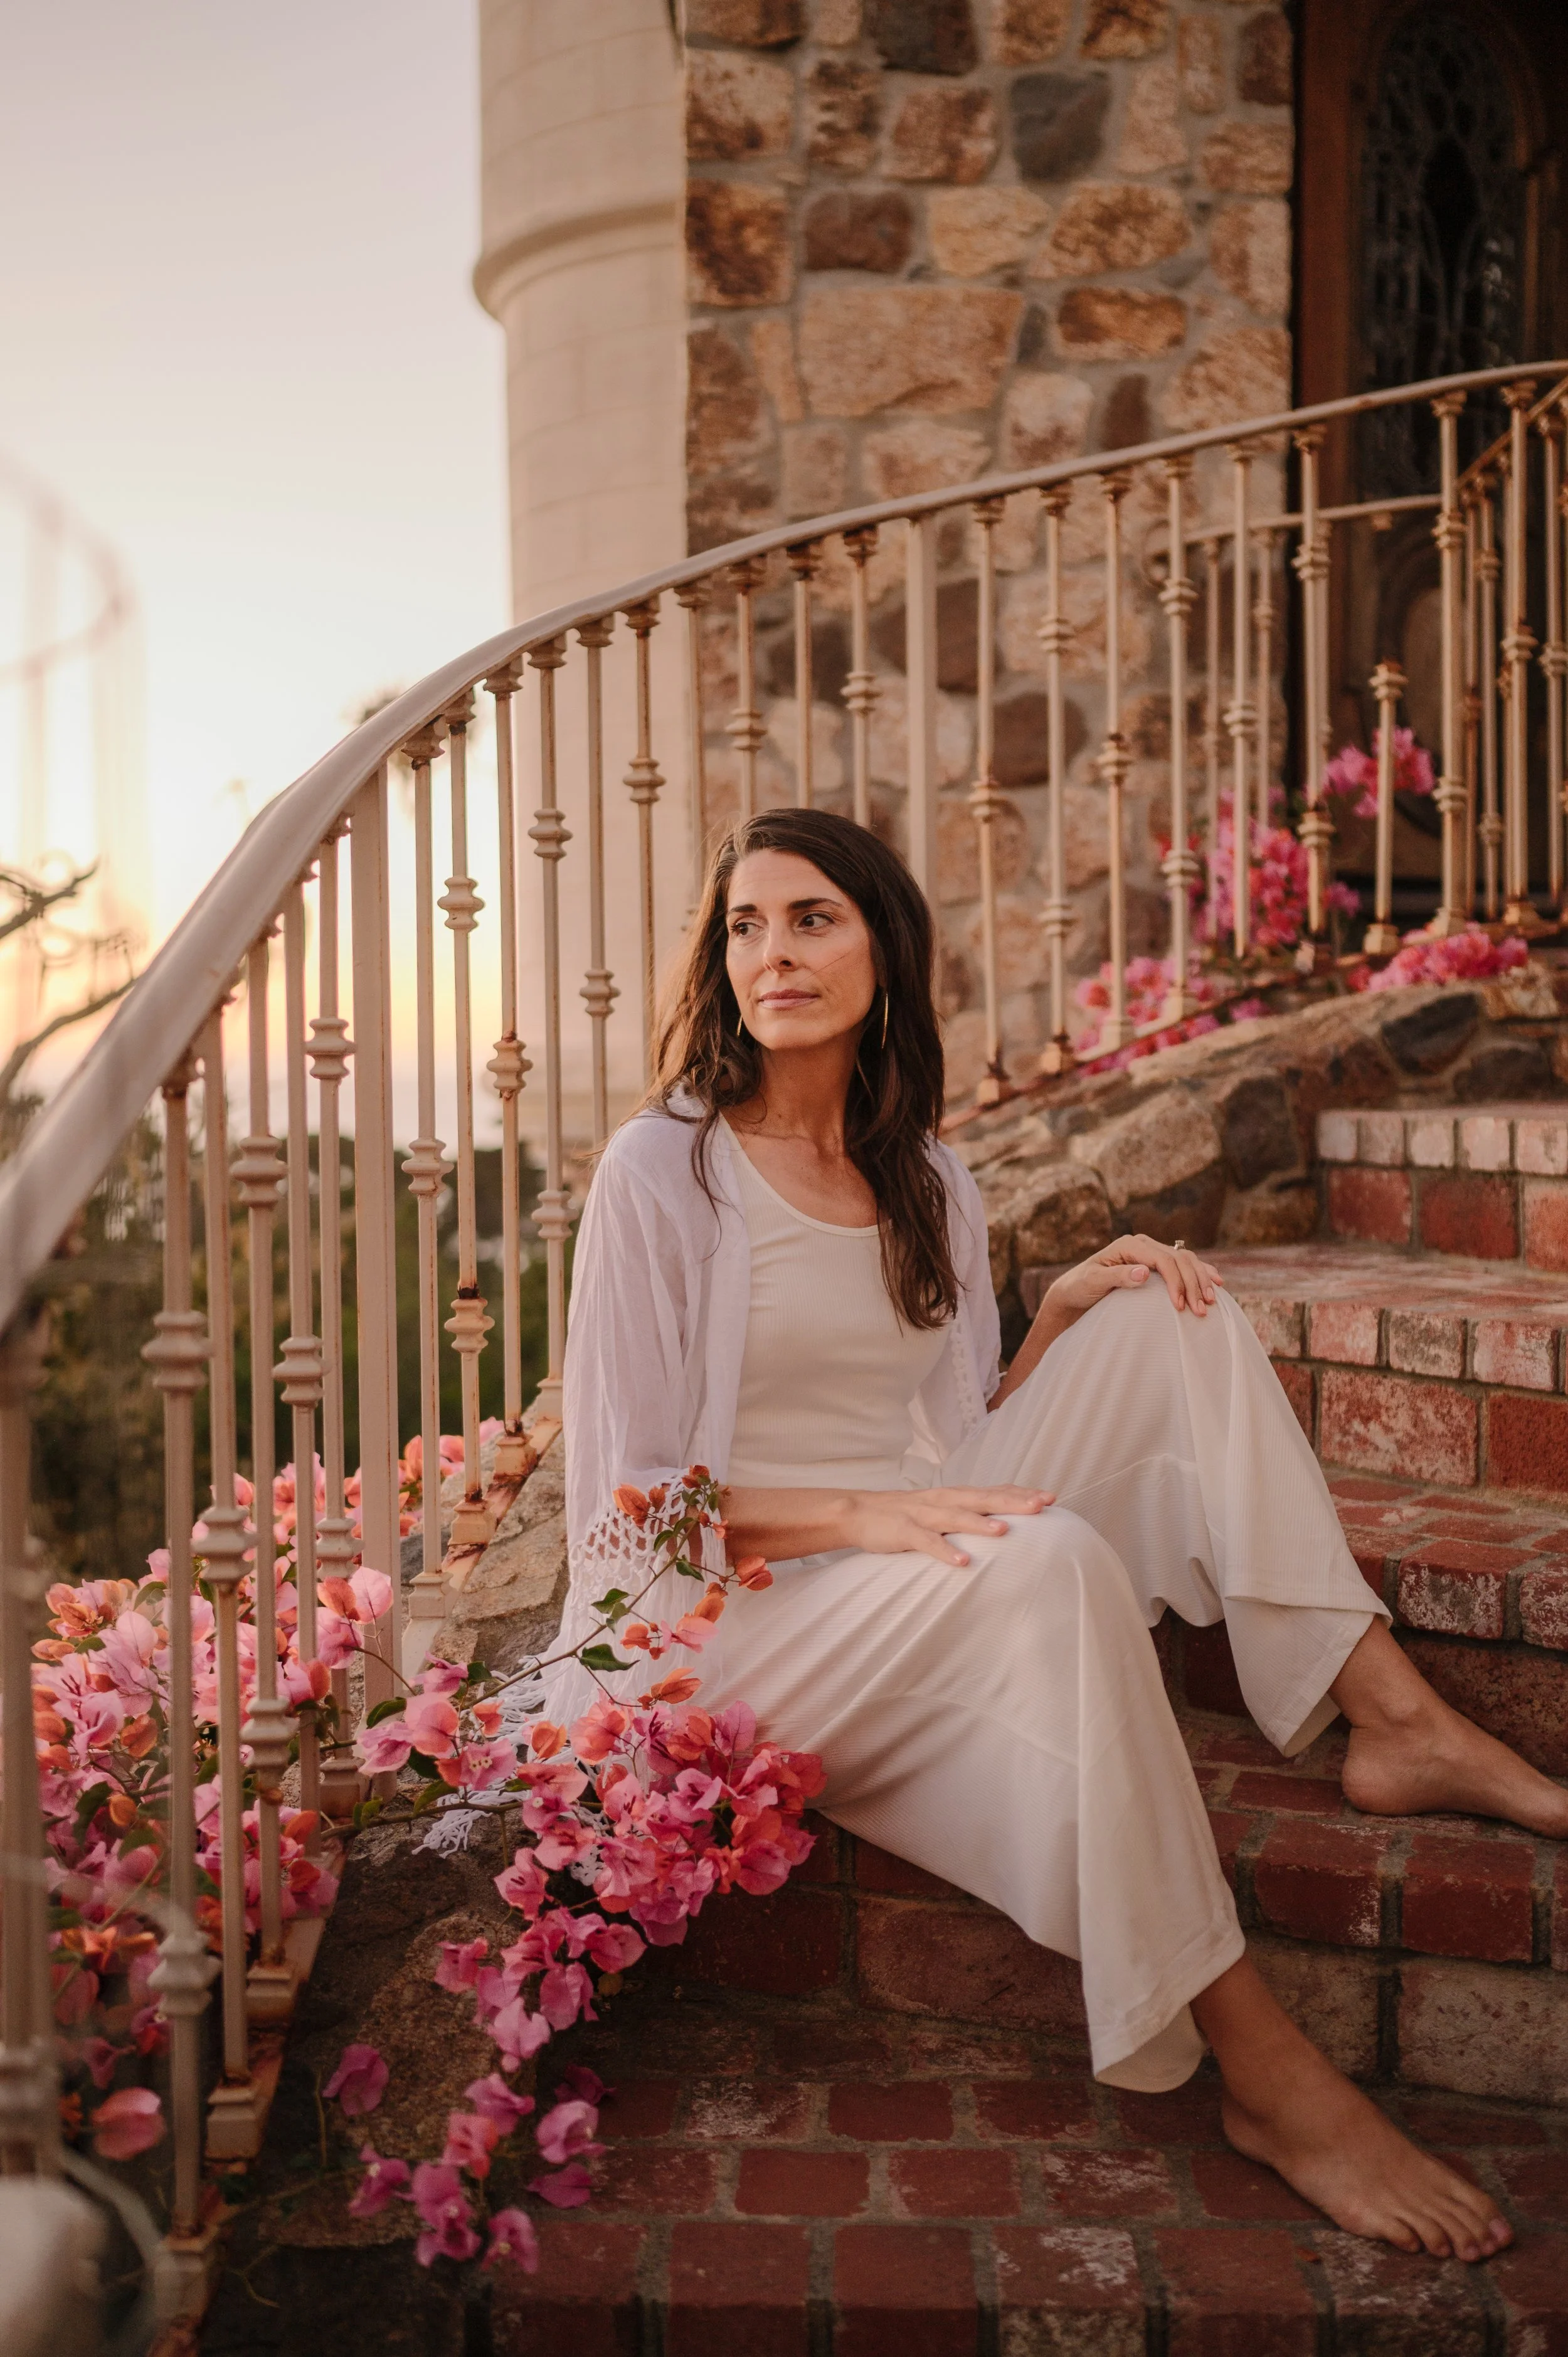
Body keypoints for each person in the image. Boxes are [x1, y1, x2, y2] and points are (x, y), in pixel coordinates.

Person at [552, 808, 1552, 2263]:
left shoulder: (926, 1180)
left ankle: (1391, 1714)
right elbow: (626, 1507)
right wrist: (865, 1515)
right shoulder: (664, 1170)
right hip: (719, 1623)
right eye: (745, 925)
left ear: (885, 950)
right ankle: (1264, 2070)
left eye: (811, 918)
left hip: (886, 1561)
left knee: (1167, 1309)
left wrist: (1063, 1326)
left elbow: (958, 1449)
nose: (772, 952)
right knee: (1050, 1557)